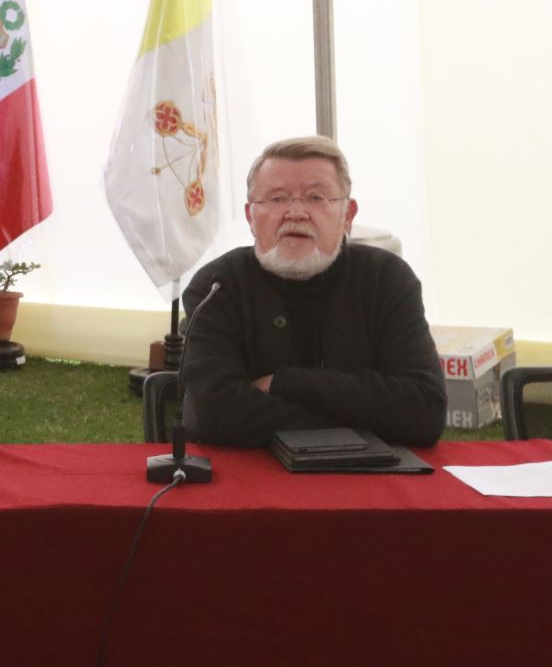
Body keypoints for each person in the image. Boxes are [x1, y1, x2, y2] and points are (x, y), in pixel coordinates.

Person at [180, 135, 445, 447]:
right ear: (251, 216)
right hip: (252, 482)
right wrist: (364, 418)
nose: (296, 212)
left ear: (347, 215)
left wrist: (285, 383)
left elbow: (424, 411)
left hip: (366, 481)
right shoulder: (218, 284)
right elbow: (211, 413)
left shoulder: (387, 280)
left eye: (316, 198)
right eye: (277, 199)